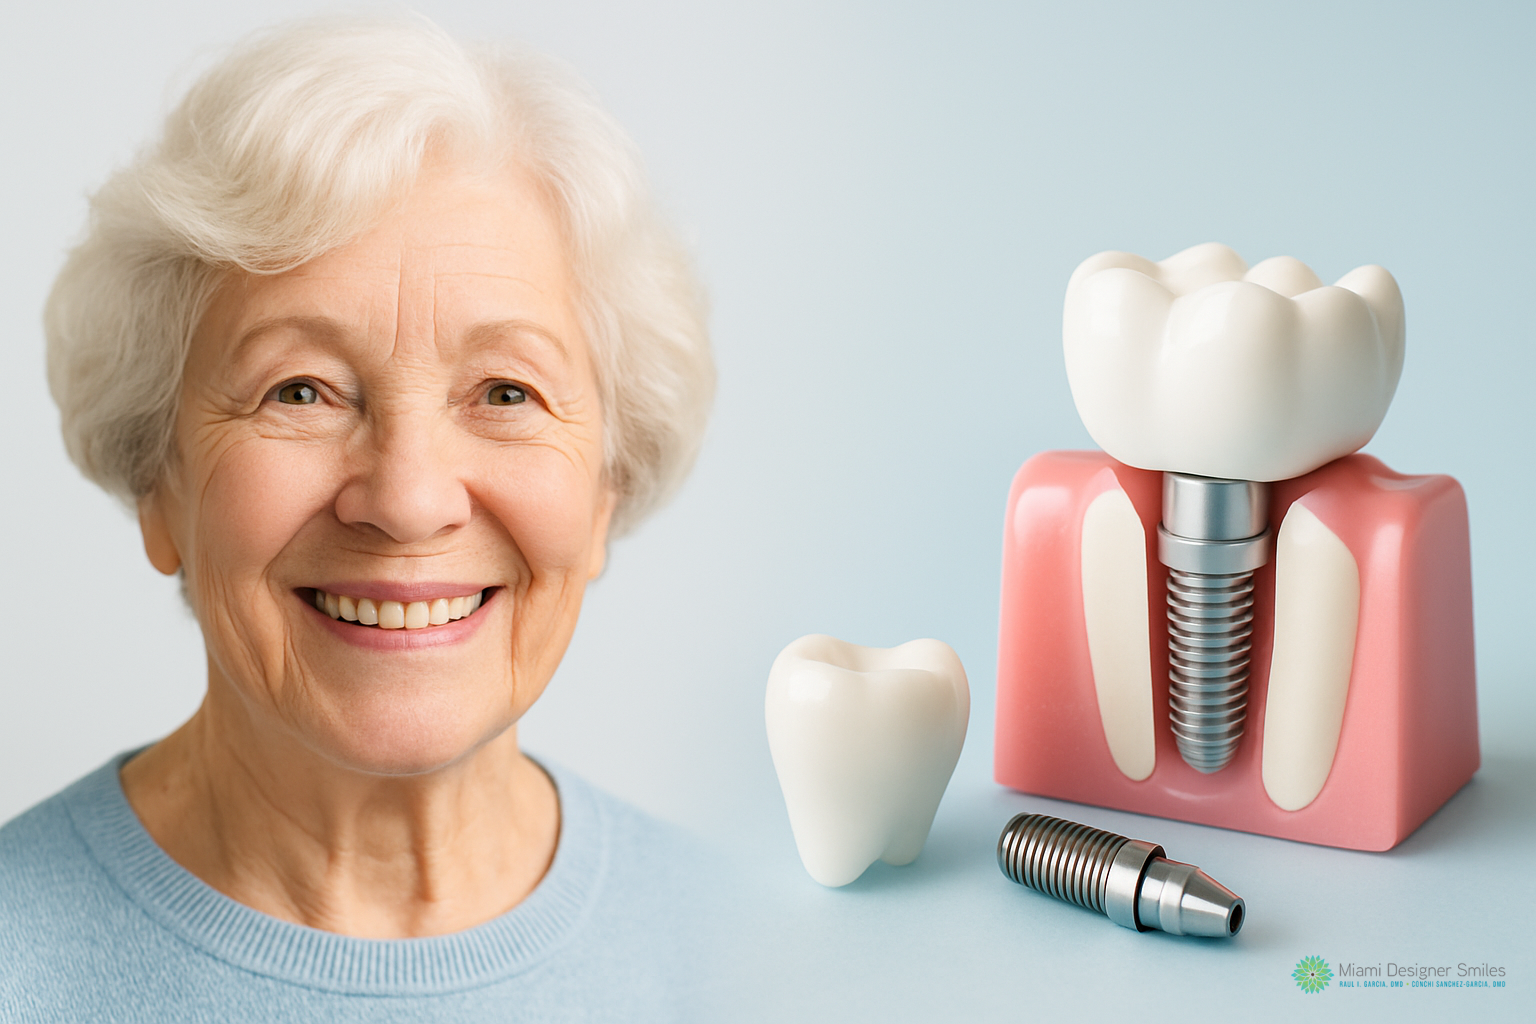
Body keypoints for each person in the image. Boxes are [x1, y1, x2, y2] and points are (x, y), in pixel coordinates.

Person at [0, 14, 718, 1020]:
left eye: (505, 393)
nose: (410, 498)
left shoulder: (743, 947)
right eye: (300, 391)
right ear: (154, 483)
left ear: (607, 489)